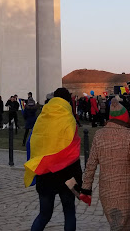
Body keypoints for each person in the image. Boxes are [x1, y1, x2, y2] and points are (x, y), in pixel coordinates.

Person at [25, 87, 82, 231]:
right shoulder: (69, 119)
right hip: (67, 174)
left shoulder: (42, 118)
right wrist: (79, 177)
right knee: (69, 213)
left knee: (44, 214)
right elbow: (74, 151)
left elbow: (33, 142)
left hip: (46, 173)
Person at [81, 98, 130, 230]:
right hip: (125, 192)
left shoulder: (99, 135)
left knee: (115, 225)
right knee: (124, 226)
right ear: (125, 117)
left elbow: (90, 164)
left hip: (106, 191)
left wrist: (86, 188)